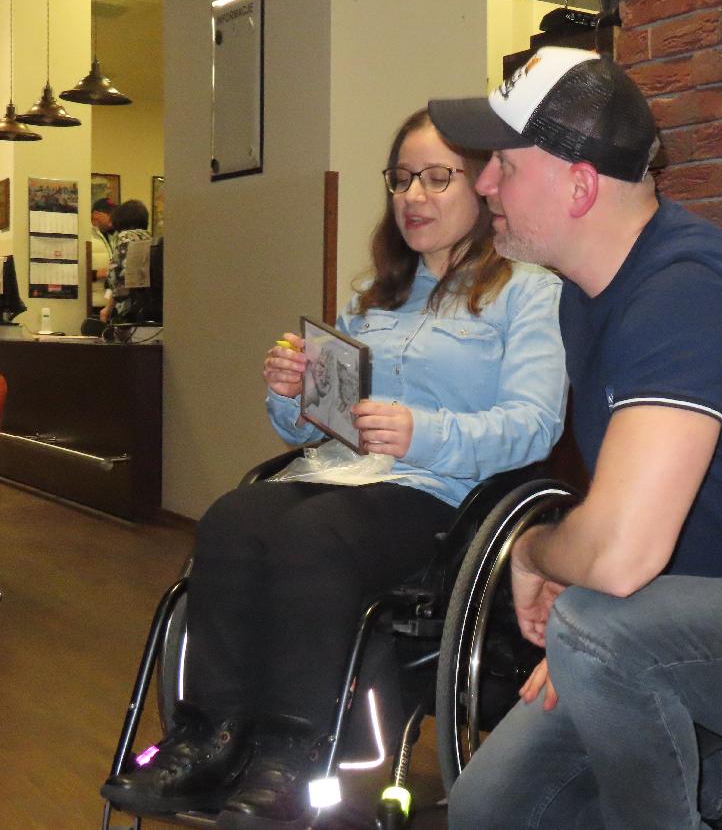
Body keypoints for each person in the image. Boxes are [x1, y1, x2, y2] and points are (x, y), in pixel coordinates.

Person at [429, 47, 722, 830]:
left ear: (580, 185)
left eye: (504, 166)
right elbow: (633, 522)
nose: (483, 184)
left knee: (597, 636)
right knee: (489, 811)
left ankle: (715, 776)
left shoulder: (686, 295)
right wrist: (601, 635)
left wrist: (536, 557)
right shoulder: (585, 298)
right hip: (680, 626)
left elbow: (620, 554)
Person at [100, 108, 568, 829]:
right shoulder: (374, 296)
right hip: (341, 477)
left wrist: (422, 432)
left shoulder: (529, 291)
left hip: (444, 497)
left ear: (482, 184)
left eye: (436, 178)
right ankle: (211, 736)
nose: (413, 196)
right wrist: (291, 396)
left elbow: (535, 424)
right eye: (401, 179)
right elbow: (322, 421)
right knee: (231, 517)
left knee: (315, 535)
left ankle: (291, 758)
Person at [99, 198, 152, 323]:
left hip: (129, 310)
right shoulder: (152, 240)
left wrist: (108, 308)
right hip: (152, 308)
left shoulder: (124, 240)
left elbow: (116, 280)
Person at [90, 197, 115, 313]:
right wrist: (96, 274)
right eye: (110, 214)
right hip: (93, 304)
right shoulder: (84, 235)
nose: (114, 218)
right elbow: (72, 271)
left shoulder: (113, 236)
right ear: (96, 214)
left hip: (110, 304)